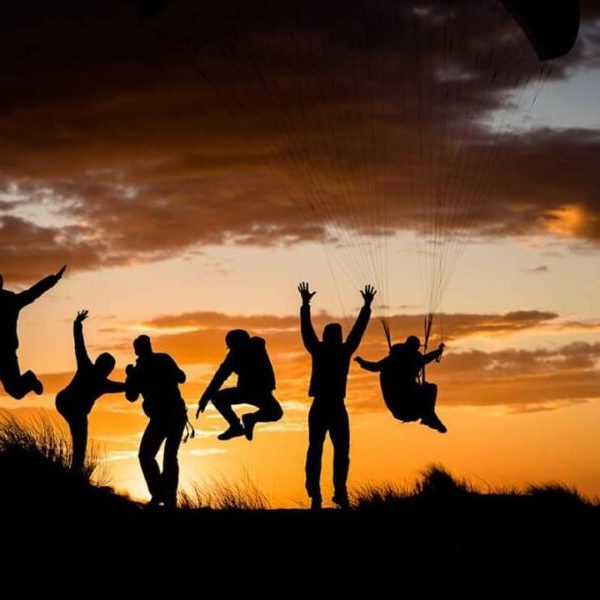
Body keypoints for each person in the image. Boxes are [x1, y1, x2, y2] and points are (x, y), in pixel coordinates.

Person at [298, 281, 375, 510]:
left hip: (321, 405)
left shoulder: (320, 349)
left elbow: (307, 331)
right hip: (333, 406)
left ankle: (320, 494)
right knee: (338, 451)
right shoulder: (342, 350)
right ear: (338, 337)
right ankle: (335, 493)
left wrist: (304, 305)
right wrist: (366, 306)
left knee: (318, 449)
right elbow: (358, 331)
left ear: (325, 336)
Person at [55, 310, 126, 472]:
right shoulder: (95, 375)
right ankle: (76, 470)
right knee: (80, 431)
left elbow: (124, 387)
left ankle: (76, 469)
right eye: (107, 367)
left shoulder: (101, 380)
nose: (107, 370)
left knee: (80, 433)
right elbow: (79, 346)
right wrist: (77, 324)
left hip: (65, 403)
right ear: (103, 366)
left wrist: (77, 324)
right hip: (66, 402)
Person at [125, 335, 187, 508]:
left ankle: (163, 496)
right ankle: (165, 496)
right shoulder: (163, 359)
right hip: (173, 414)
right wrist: (132, 376)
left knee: (149, 455)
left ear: (137, 350)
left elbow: (131, 396)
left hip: (166, 416)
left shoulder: (142, 368)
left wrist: (131, 376)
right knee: (165, 456)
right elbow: (182, 377)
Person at [196, 329, 283, 441]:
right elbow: (218, 378)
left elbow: (218, 378)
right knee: (275, 413)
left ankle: (244, 421)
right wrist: (204, 399)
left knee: (275, 413)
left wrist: (204, 399)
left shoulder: (251, 347)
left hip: (253, 391)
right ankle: (239, 424)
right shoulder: (248, 349)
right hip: (252, 391)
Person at [355, 335, 447, 433]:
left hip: (396, 408)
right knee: (431, 388)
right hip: (406, 403)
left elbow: (375, 367)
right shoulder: (412, 358)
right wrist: (438, 352)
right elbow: (426, 359)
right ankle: (429, 416)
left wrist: (362, 362)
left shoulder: (391, 359)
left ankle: (429, 416)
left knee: (427, 391)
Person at [0, 265, 67, 399]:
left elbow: (33, 293)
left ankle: (30, 380)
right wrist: (53, 279)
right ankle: (29, 380)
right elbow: (32, 293)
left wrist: (53, 279)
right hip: (6, 352)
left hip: (6, 353)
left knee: (16, 392)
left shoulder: (11, 301)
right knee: (16, 391)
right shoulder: (12, 300)